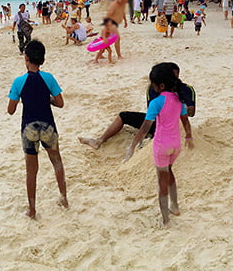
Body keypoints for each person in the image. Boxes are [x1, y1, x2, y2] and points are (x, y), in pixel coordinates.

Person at [123, 64, 194, 227]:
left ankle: (165, 220)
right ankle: (175, 206)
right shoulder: (179, 100)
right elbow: (185, 121)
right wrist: (189, 137)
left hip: (162, 145)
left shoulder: (156, 102)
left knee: (161, 181)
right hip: (176, 144)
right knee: (169, 172)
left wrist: (132, 146)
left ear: (161, 85)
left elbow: (145, 127)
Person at [6, 40, 67, 219]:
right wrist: (46, 99)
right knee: (57, 162)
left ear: (26, 57)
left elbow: (10, 110)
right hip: (48, 125)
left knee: (31, 170)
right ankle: (64, 199)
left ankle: (32, 210)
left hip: (29, 128)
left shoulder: (19, 82)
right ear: (42, 59)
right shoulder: (48, 78)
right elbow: (60, 103)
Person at [79, 62, 195, 151]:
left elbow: (191, 113)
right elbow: (152, 112)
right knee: (123, 116)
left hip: (175, 126)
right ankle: (99, 140)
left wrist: (180, 105)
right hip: (159, 123)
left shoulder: (186, 89)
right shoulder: (154, 88)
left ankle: (145, 141)